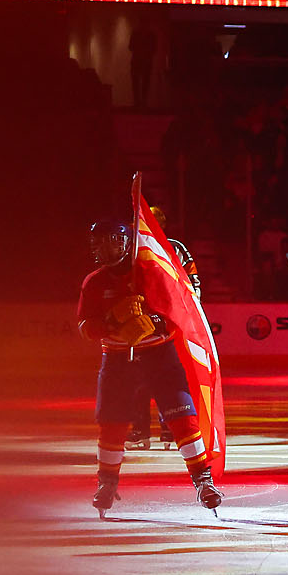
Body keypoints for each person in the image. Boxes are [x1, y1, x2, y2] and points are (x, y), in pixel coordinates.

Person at [78, 220, 221, 516]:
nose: (103, 249)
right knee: (112, 424)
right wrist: (112, 322)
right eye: (99, 243)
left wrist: (152, 323)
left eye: (110, 241)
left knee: (183, 418)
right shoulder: (94, 282)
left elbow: (180, 312)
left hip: (159, 355)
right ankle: (107, 482)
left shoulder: (153, 274)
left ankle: (203, 480)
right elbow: (84, 326)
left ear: (127, 242)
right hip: (118, 360)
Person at [128, 204, 200, 450]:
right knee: (138, 381)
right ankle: (140, 431)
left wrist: (191, 312)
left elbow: (193, 281)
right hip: (140, 323)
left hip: (170, 322)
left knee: (168, 378)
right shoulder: (132, 248)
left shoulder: (175, 248)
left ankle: (170, 430)